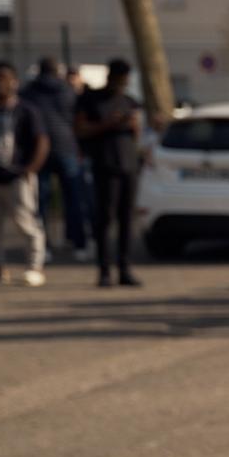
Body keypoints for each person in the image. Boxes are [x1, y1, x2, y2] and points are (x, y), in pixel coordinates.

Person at [0, 61, 50, 288]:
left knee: (26, 223)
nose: (0, 83)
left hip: (17, 176)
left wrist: (30, 169)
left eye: (5, 78)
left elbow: (42, 141)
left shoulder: (26, 110)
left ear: (14, 81)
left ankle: (35, 266)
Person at [73, 58, 145, 287]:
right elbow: (80, 130)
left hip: (128, 165)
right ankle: (104, 270)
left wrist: (133, 125)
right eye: (120, 78)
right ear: (110, 77)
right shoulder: (91, 99)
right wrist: (107, 124)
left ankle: (124, 268)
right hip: (105, 165)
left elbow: (137, 135)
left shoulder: (129, 101)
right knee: (105, 219)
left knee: (126, 220)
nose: (123, 83)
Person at [21, 57, 92, 263]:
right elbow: (76, 118)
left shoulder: (29, 93)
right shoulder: (67, 91)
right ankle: (78, 243)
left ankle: (44, 247)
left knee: (40, 202)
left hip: (39, 151)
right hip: (66, 147)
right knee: (73, 199)